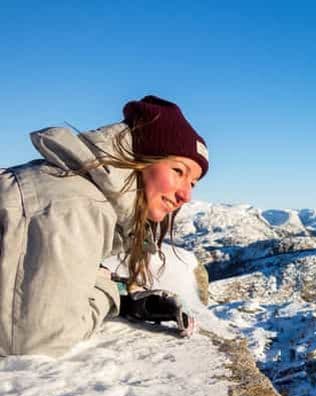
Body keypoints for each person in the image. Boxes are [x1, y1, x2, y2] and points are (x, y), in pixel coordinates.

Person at [0, 95, 209, 356]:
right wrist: (112, 294)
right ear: (142, 158)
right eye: (178, 171)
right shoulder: (78, 204)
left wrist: (122, 296)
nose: (186, 195)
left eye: (192, 183)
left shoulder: (74, 190)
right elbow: (37, 338)